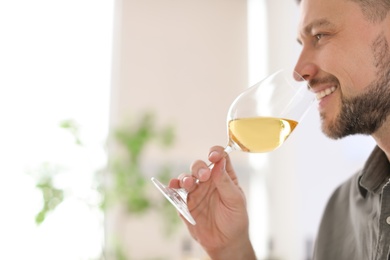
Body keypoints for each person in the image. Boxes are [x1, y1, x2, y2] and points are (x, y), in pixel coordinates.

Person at [168, 0, 390, 259]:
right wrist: (232, 249)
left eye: (320, 35)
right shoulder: (341, 214)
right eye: (301, 43)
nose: (298, 72)